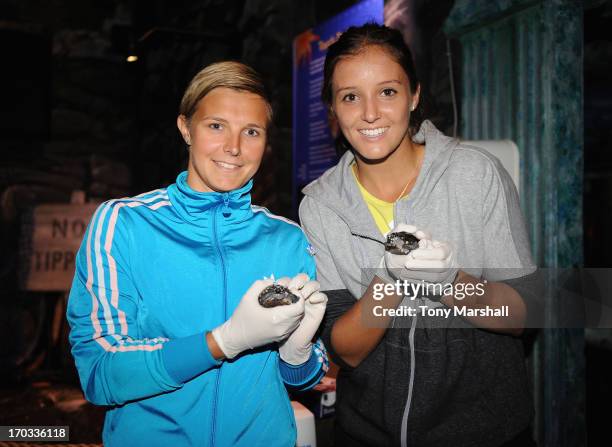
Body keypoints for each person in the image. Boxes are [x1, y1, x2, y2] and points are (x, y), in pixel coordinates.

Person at [299, 24, 541, 447]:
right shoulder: (320, 205)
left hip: (486, 433)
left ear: (414, 96)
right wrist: (389, 281)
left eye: (388, 92)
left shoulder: (475, 173)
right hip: (368, 434)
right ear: (333, 110)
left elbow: (521, 316)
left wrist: (450, 282)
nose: (370, 112)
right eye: (350, 96)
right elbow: (347, 350)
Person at [67, 61, 328, 447]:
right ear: (186, 128)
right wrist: (223, 342)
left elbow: (304, 378)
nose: (234, 148)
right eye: (216, 126)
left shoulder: (286, 238)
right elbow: (101, 373)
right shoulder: (124, 224)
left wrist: (297, 352)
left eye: (251, 131)